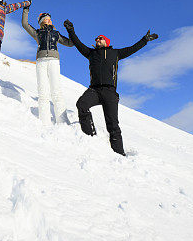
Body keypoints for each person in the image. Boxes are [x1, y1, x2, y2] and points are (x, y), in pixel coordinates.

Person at [63, 20, 158, 155]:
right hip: (94, 90)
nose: (97, 40)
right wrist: (70, 30)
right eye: (96, 39)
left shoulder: (116, 53)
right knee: (82, 104)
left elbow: (132, 48)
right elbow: (78, 44)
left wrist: (144, 40)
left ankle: (119, 154)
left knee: (113, 124)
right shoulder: (91, 53)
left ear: (107, 42)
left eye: (100, 38)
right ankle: (90, 137)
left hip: (110, 92)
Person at [21, 8, 73, 125]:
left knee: (56, 91)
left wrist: (70, 31)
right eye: (45, 19)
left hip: (54, 61)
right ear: (41, 22)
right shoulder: (37, 33)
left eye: (49, 18)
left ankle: (63, 122)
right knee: (43, 92)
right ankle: (44, 122)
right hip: (41, 62)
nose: (48, 20)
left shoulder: (56, 33)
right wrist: (26, 10)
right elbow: (25, 24)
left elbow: (70, 43)